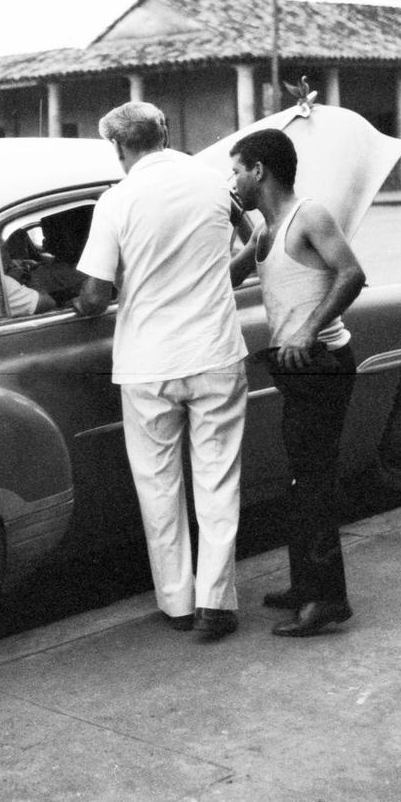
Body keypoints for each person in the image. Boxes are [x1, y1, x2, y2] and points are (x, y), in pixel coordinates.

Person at [73, 102, 248, 638]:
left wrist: (75, 294)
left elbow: (94, 298)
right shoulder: (215, 183)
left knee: (158, 487)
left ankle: (177, 604)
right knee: (217, 481)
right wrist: (219, 276)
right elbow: (254, 239)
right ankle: (217, 603)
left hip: (147, 364)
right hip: (215, 352)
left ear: (121, 148)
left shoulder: (116, 201)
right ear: (166, 134)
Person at [229, 128, 366, 637]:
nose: (233, 180)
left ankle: (327, 599)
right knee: (300, 479)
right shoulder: (265, 232)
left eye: (237, 170)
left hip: (323, 361)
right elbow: (229, 275)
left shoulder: (309, 216)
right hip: (294, 368)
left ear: (259, 171)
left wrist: (309, 328)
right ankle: (305, 584)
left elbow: (351, 273)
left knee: (313, 482)